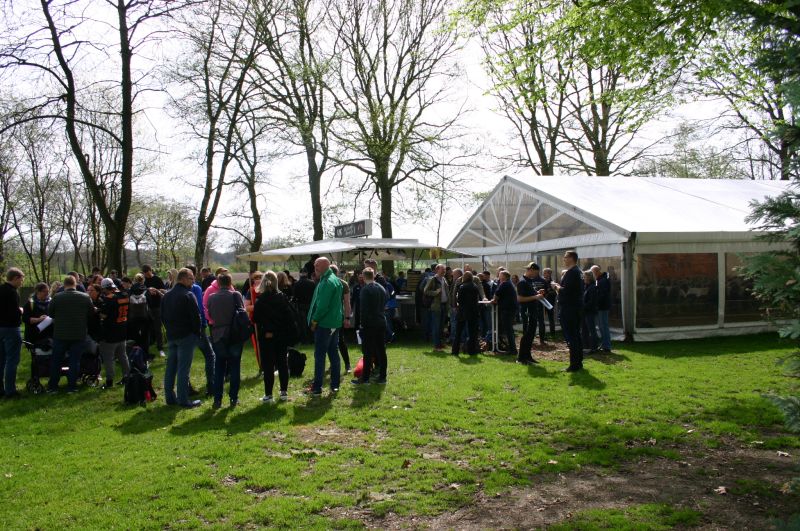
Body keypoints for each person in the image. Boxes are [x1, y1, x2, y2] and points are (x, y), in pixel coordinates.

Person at [161, 268, 202, 408]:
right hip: (186, 336)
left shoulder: (166, 295)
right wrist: (196, 333)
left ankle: (170, 398)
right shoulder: (188, 295)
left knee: (171, 368)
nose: (193, 282)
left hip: (172, 335)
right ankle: (183, 400)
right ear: (183, 279)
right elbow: (196, 317)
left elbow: (162, 316)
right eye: (191, 279)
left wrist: (169, 330)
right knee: (183, 369)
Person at [47, 275, 94, 393]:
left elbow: (50, 313)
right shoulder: (85, 297)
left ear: (64, 285)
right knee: (74, 361)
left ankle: (53, 386)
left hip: (60, 334)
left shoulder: (57, 297)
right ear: (75, 284)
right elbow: (91, 313)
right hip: (78, 334)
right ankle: (72, 386)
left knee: (56, 361)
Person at [253, 271, 292, 402]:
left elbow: (256, 318)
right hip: (281, 334)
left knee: (268, 365)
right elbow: (289, 318)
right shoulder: (283, 297)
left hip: (267, 335)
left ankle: (269, 394)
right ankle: (284, 392)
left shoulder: (261, 300)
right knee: (282, 363)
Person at [306, 257, 343, 396]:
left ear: (325, 266)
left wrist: (314, 321)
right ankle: (335, 385)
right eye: (315, 265)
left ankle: (317, 387)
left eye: (317, 265)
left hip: (325, 324)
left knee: (320, 355)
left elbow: (322, 306)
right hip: (334, 322)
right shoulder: (334, 279)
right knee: (333, 353)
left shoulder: (327, 281)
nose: (315, 268)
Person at [206, 273, 243, 408]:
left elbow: (210, 315)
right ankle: (233, 397)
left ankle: (217, 399)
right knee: (235, 367)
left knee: (219, 368)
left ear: (218, 283)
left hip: (218, 335)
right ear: (230, 282)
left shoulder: (211, 297)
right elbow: (242, 313)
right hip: (234, 334)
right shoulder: (236, 295)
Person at [352, 267, 388, 384]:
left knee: (367, 351)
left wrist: (362, 324)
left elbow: (363, 310)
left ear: (363, 276)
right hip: (381, 321)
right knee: (381, 350)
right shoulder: (381, 288)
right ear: (374, 275)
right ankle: (382, 377)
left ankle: (365, 378)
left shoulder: (365, 290)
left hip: (369, 323)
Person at [184, 264, 215, 396]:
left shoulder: (175, 289)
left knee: (185, 359)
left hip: (183, 329)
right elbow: (200, 308)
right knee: (210, 355)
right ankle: (211, 386)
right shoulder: (196, 288)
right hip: (197, 327)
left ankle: (186, 387)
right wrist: (203, 324)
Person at [552, 251, 584, 372]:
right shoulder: (578, 272)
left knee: (571, 337)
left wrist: (556, 286)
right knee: (576, 336)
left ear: (571, 258)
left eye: (565, 257)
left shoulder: (572, 272)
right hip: (575, 307)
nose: (564, 259)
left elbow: (567, 291)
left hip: (569, 308)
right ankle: (578, 362)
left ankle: (574, 364)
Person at [97, 278, 130, 389]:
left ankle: (109, 381)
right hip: (122, 329)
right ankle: (127, 376)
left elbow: (103, 315)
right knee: (123, 356)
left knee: (108, 358)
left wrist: (97, 310)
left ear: (106, 288)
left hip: (110, 332)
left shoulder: (109, 298)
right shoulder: (124, 295)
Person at [0, 268, 25, 398]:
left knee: (1, 360)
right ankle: (10, 390)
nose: (21, 282)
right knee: (12, 360)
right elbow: (14, 313)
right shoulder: (12, 292)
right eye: (21, 279)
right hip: (11, 328)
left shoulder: (1, 289)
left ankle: (1, 389)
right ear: (15, 278)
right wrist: (20, 311)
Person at [517, 263, 547, 364]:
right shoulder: (522, 282)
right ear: (531, 270)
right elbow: (520, 298)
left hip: (533, 311)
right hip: (527, 312)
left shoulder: (530, 281)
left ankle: (528, 356)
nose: (536, 275)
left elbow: (530, 294)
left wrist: (537, 293)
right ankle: (521, 358)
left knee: (531, 335)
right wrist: (535, 297)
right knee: (526, 335)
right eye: (536, 272)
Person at [330, 264, 352, 373]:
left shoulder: (327, 283)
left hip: (331, 317)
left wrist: (347, 318)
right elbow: (347, 303)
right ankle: (346, 365)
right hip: (339, 316)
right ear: (337, 272)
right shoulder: (343, 283)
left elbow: (347, 302)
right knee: (340, 341)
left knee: (334, 341)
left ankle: (346, 364)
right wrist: (347, 318)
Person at [452, 270, 480, 356]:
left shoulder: (462, 286)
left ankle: (455, 350)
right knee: (472, 332)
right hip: (473, 311)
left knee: (458, 332)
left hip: (463, 311)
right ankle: (472, 350)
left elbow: (459, 300)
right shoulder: (475, 286)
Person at [492, 270, 518, 356]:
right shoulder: (509, 284)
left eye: (500, 275)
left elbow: (496, 295)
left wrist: (494, 300)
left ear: (504, 277)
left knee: (508, 330)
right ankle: (512, 348)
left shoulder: (504, 284)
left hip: (507, 310)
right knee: (509, 330)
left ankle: (512, 350)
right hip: (510, 309)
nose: (498, 276)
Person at [141, 265, 166, 358]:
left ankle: (160, 348)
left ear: (150, 270)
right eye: (144, 273)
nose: (146, 274)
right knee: (148, 327)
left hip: (157, 306)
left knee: (157, 328)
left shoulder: (157, 279)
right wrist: (148, 290)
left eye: (147, 272)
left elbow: (164, 290)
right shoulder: (144, 281)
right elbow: (142, 291)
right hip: (147, 307)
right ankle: (149, 345)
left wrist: (156, 290)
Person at [423, 264, 448, 351]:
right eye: (442, 269)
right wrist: (435, 292)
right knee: (436, 327)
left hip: (444, 305)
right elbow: (425, 291)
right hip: (436, 306)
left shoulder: (444, 279)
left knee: (441, 327)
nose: (444, 271)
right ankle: (436, 346)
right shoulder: (432, 279)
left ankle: (440, 344)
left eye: (445, 269)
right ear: (437, 270)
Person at [243, 270, 264, 372]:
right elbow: (246, 307)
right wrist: (258, 306)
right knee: (258, 344)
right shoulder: (250, 291)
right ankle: (261, 365)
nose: (258, 280)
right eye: (256, 278)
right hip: (255, 322)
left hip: (267, 321)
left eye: (260, 278)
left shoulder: (267, 290)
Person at [127, 274, 151, 357]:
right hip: (144, 316)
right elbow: (150, 302)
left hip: (133, 316)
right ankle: (145, 354)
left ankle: (135, 354)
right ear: (143, 280)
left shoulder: (131, 290)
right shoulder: (146, 289)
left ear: (135, 280)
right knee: (145, 335)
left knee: (135, 336)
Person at [22, 282, 52, 347]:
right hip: (34, 336)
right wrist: (39, 319)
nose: (47, 293)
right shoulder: (30, 304)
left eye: (48, 291)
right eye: (44, 291)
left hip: (49, 335)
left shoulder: (50, 302)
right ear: (38, 292)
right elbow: (25, 319)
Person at [591, 265, 613, 352]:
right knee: (602, 326)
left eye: (593, 273)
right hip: (602, 306)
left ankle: (607, 346)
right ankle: (605, 344)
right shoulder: (601, 279)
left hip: (603, 306)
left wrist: (596, 302)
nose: (593, 275)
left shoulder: (602, 281)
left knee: (603, 326)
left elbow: (602, 295)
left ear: (597, 272)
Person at [292, 270, 315, 343]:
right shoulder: (312, 283)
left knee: (302, 323)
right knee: (310, 322)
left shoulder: (296, 283)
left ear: (300, 274)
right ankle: (311, 338)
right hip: (310, 305)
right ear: (307, 273)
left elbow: (294, 296)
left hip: (301, 305)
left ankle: (304, 339)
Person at [582, 270, 599, 353]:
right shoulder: (586, 286)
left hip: (590, 312)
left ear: (589, 277)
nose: (583, 278)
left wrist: (583, 306)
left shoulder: (592, 287)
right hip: (586, 311)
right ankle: (587, 346)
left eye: (585, 277)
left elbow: (592, 301)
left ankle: (594, 347)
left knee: (591, 330)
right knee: (586, 329)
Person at [542, 268, 557, 338]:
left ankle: (552, 333)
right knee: (542, 318)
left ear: (549, 274)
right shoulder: (542, 281)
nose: (543, 274)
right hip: (542, 302)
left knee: (551, 318)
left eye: (545, 273)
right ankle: (543, 333)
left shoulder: (552, 283)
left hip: (549, 302)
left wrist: (547, 293)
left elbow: (555, 293)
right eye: (543, 273)